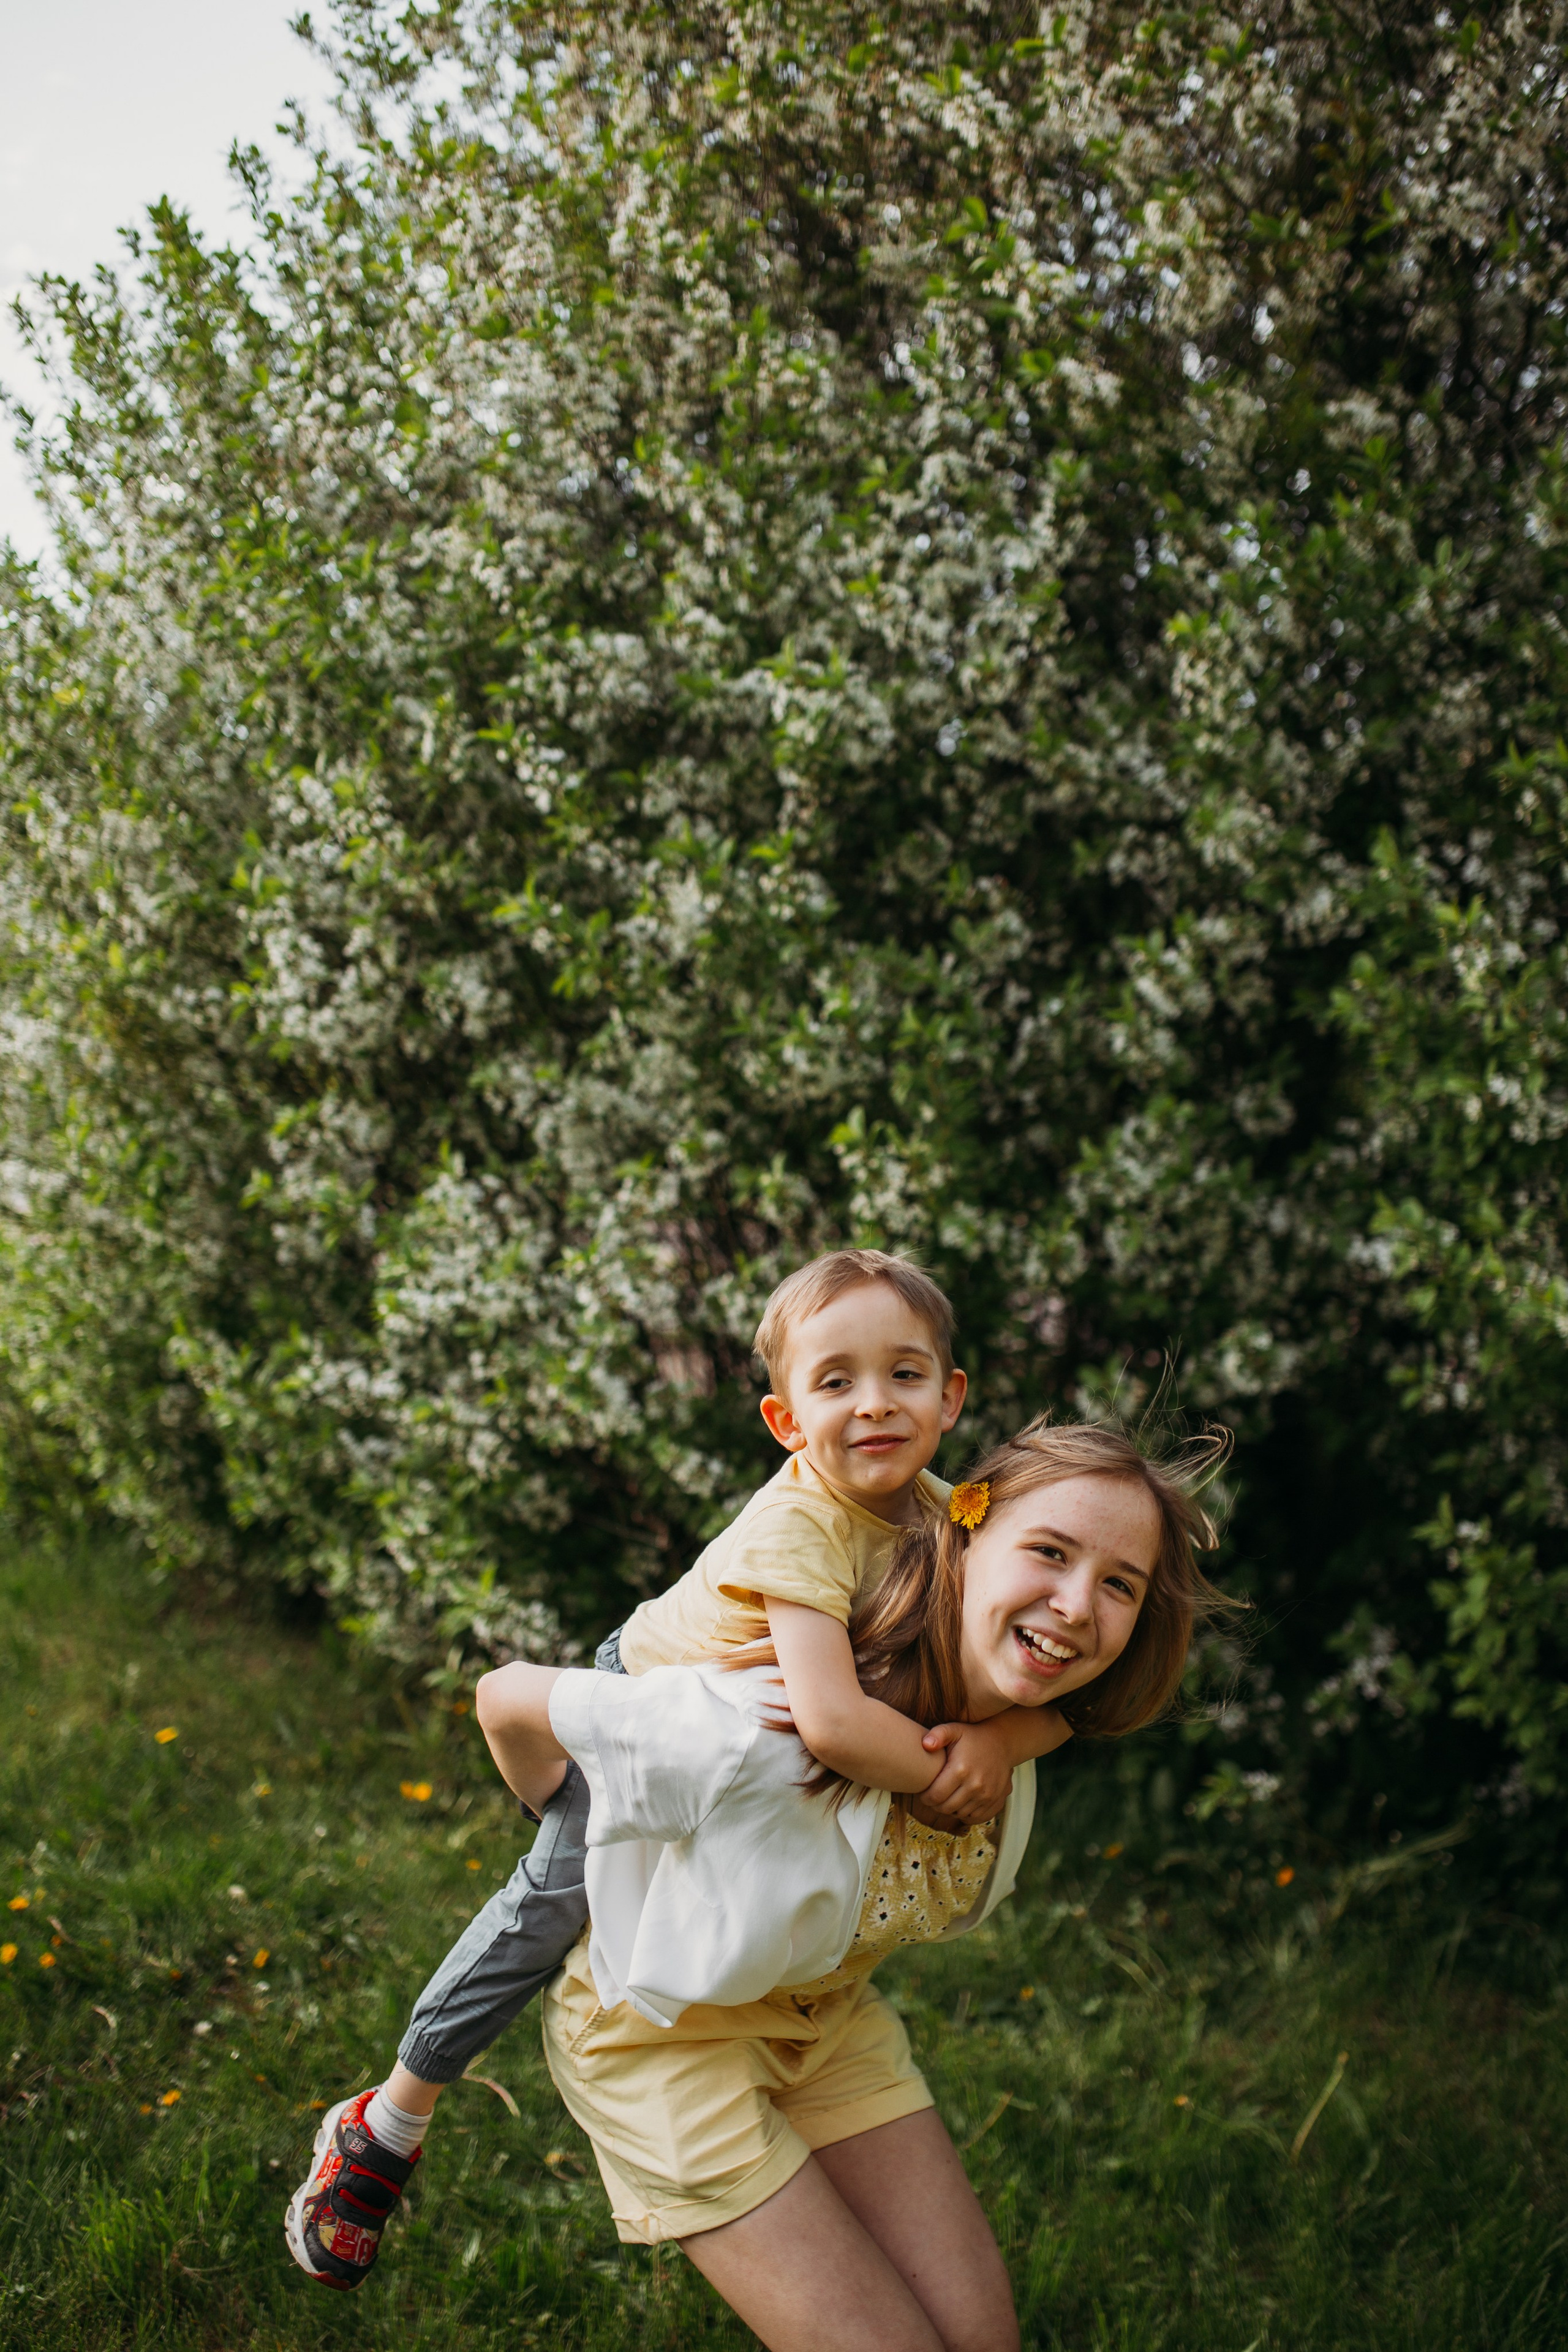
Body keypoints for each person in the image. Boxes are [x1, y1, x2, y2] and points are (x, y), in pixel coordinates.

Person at [287, 1248, 1075, 2290]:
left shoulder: (948, 1511)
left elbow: (1055, 1698)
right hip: (646, 1715)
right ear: (786, 1422)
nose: (874, 1404)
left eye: (906, 1374)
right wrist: (945, 1773)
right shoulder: (800, 1521)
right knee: (546, 1913)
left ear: (951, 1396)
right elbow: (836, 1727)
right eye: (835, 1382)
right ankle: (387, 2121)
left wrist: (1000, 1739)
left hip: (736, 1776)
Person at [475, 1415, 1233, 2352]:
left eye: (1119, 1585)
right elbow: (504, 1695)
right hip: (661, 2033)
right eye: (1050, 1552)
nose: (1078, 1606)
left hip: (824, 2018)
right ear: (963, 1529)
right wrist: (555, 1819)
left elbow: (1078, 1713)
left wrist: (1002, 1738)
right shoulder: (773, 1713)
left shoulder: (1008, 1721)